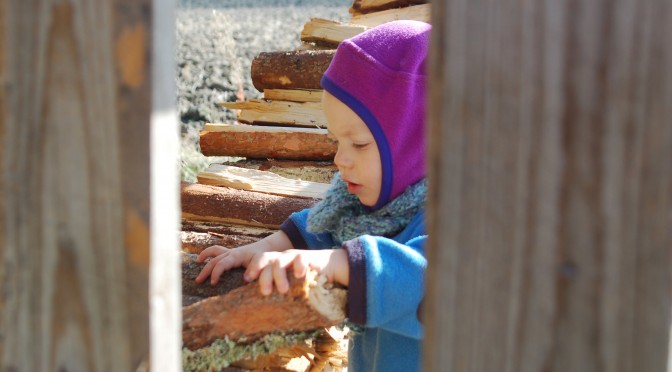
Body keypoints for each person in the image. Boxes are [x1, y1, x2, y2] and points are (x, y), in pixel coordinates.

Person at [195, 20, 431, 372]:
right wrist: (263, 249)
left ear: (418, 141)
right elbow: (318, 230)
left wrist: (336, 263)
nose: (340, 158)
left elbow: (425, 278)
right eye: (337, 141)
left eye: (360, 143)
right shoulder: (365, 207)